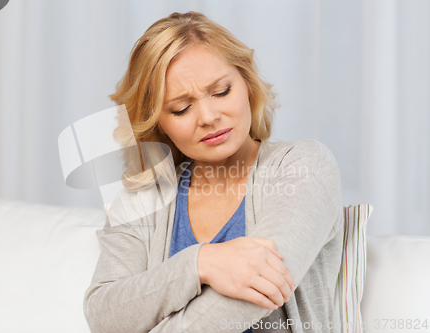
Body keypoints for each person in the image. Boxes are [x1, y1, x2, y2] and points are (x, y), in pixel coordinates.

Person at [83, 11, 343, 333]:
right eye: (181, 108)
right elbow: (104, 315)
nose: (208, 116)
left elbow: (263, 282)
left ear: (247, 83)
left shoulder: (303, 165)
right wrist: (200, 264)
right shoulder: (144, 198)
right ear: (158, 124)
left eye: (221, 91)